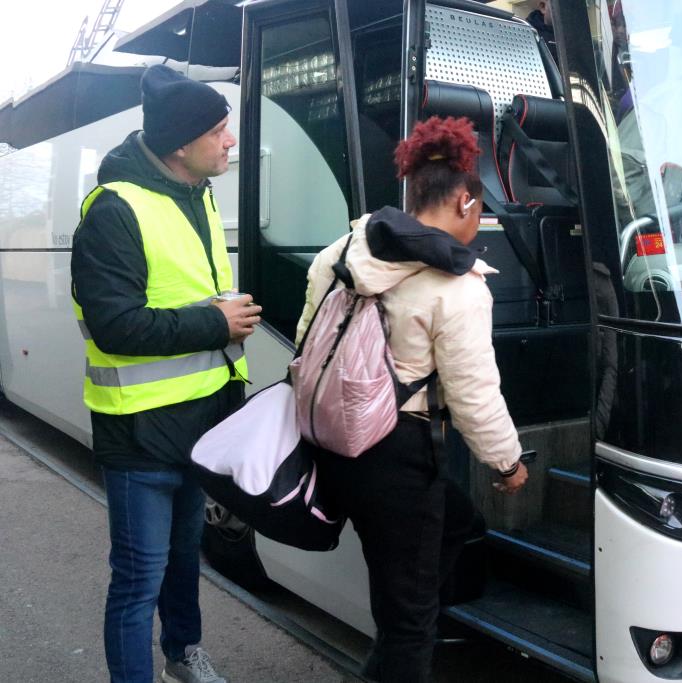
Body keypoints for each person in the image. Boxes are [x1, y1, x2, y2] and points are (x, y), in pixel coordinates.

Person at [297, 116, 530, 682]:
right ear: (464, 200)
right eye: (480, 208)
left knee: (456, 524)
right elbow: (474, 392)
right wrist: (507, 462)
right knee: (409, 622)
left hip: (330, 441)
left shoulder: (342, 250)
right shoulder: (457, 284)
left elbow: (306, 341)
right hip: (398, 453)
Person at [70, 64, 260, 683]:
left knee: (184, 559)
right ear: (182, 143)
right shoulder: (114, 209)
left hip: (199, 426)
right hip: (140, 433)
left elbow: (189, 293)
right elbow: (116, 326)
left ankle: (183, 652)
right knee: (137, 578)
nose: (231, 141)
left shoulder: (196, 194)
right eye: (220, 130)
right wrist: (217, 323)